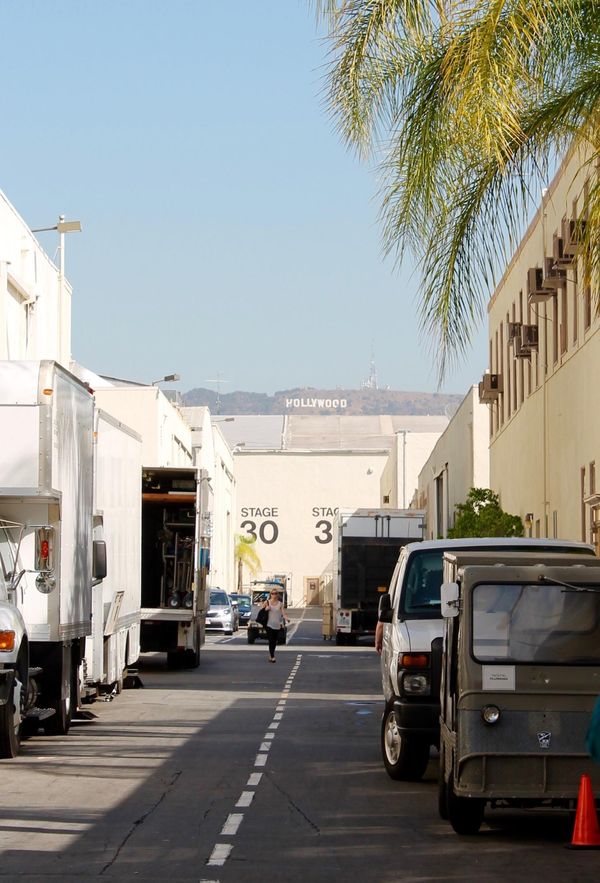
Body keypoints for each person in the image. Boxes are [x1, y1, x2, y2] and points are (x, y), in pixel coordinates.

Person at [263, 589, 288, 662]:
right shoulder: (267, 602)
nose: (274, 595)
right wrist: (266, 609)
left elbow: (283, 613)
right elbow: (261, 611)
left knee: (274, 641)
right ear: (270, 594)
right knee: (271, 640)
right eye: (272, 593)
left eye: (275, 593)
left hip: (277, 625)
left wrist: (286, 618)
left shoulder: (280, 604)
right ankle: (272, 656)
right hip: (269, 624)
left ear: (277, 594)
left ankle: (271, 655)